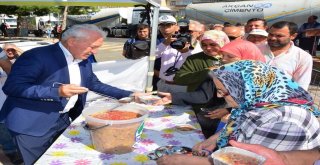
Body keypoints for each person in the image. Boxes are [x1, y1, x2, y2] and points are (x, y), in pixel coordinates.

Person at [0, 24, 142, 165]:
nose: (96, 52)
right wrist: (57, 92)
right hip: (31, 124)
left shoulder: (82, 58)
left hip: (62, 119)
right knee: (39, 161)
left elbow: (94, 83)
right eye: (92, 47)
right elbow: (13, 86)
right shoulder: (37, 56)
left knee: (61, 158)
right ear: (72, 41)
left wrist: (130, 94)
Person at [156, 60, 320, 164]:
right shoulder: (256, 103)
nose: (222, 97)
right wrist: (216, 138)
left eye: (224, 92)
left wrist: (184, 162)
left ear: (248, 88)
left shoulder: (285, 120)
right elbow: (239, 128)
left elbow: (251, 162)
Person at [156, 40, 265, 138]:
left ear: (247, 56)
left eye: (230, 57)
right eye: (222, 56)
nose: (224, 60)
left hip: (255, 127)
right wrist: (173, 97)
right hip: (219, 121)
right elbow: (204, 95)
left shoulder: (264, 78)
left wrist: (229, 110)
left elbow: (260, 104)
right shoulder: (221, 70)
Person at [258, 21, 313, 90]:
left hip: (281, 98)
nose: (273, 38)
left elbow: (301, 85)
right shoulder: (255, 49)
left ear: (293, 36)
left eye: (279, 36)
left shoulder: (303, 57)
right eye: (271, 34)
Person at [156, 15, 193, 93]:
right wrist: (165, 43)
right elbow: (152, 56)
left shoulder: (190, 39)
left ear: (176, 26)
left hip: (181, 86)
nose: (165, 28)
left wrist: (185, 51)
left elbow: (193, 61)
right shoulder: (162, 42)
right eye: (162, 25)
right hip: (163, 84)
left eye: (169, 25)